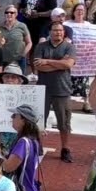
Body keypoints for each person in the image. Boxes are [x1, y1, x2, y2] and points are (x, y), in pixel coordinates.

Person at [34, 20, 76, 162]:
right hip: (43, 89)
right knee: (39, 121)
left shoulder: (69, 47)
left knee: (64, 123)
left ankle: (65, 148)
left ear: (64, 32)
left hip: (62, 89)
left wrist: (47, 61)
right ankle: (37, 145)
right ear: (50, 32)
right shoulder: (41, 46)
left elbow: (68, 64)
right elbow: (38, 67)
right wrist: (60, 64)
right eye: (55, 30)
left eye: (60, 30)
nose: (58, 32)